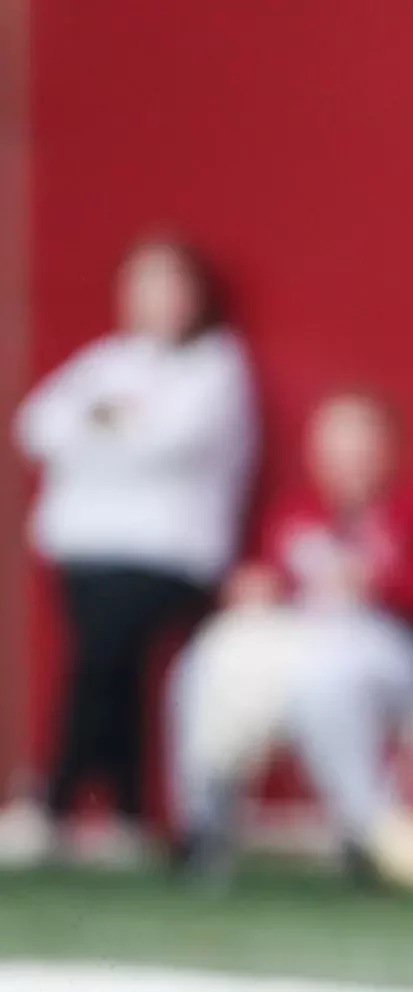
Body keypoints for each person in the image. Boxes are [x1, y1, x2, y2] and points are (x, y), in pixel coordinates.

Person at [0, 235, 256, 868]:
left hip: (171, 557)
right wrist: (111, 426)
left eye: (170, 284)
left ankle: (53, 804)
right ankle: (126, 815)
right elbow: (36, 426)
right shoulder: (106, 363)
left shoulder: (217, 367)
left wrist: (99, 429)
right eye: (143, 284)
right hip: (84, 553)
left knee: (102, 661)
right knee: (109, 670)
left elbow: (169, 444)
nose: (157, 299)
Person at [166, 390, 413, 895]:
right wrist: (261, 589)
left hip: (400, 653)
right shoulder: (296, 513)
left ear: (387, 449)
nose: (349, 462)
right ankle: (204, 827)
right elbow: (270, 583)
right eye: (337, 448)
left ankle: (368, 832)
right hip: (301, 650)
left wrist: (377, 584)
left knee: (327, 674)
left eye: (361, 447)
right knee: (207, 660)